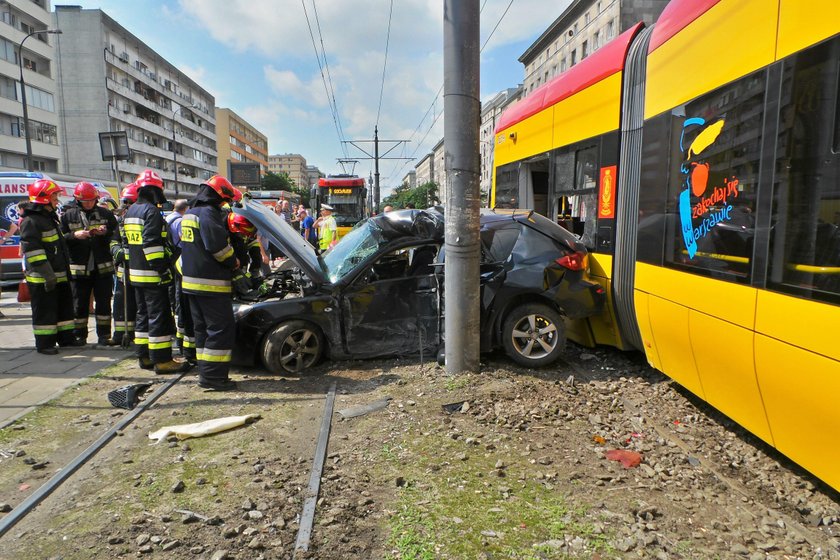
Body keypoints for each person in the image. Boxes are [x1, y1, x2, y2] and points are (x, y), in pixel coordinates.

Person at [125, 169, 190, 374]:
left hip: (135, 274)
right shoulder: (150, 212)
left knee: (143, 315)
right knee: (159, 317)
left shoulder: (132, 210)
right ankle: (162, 361)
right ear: (154, 191)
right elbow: (152, 245)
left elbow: (128, 245)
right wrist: (162, 270)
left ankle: (144, 357)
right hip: (152, 275)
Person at [180, 175, 239, 391]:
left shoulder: (191, 213)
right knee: (220, 329)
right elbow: (217, 247)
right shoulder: (208, 214)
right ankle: (215, 378)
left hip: (191, 284)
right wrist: (234, 261)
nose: (223, 204)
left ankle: (206, 374)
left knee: (202, 330)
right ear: (217, 196)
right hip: (211, 283)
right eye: (223, 199)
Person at [19, 179, 81, 354]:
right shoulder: (31, 221)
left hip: (58, 273)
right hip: (42, 277)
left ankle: (66, 339)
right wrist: (47, 274)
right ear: (44, 198)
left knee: (63, 309)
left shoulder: (48, 218)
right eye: (55, 195)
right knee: (45, 311)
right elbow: (33, 251)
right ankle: (45, 344)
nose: (57, 199)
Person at [60, 182, 118, 345]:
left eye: (91, 200)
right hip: (79, 269)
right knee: (80, 304)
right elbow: (60, 239)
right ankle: (80, 335)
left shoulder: (106, 214)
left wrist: (105, 233)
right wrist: (74, 235)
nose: (88, 203)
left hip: (103, 268)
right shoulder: (68, 216)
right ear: (77, 200)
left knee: (104, 303)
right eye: (85, 201)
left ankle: (104, 336)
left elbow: (115, 235)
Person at [110, 182, 138, 347]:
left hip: (140, 269)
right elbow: (113, 241)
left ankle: (138, 334)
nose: (125, 206)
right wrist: (117, 251)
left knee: (138, 304)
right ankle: (120, 334)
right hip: (123, 270)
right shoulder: (119, 221)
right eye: (124, 202)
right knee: (121, 302)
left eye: (129, 203)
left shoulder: (143, 218)